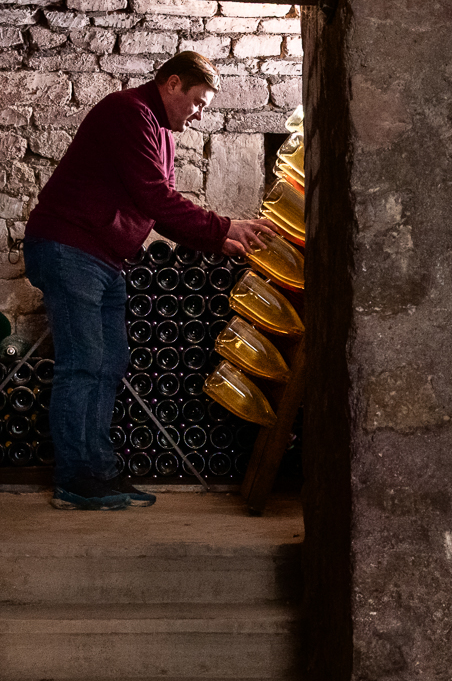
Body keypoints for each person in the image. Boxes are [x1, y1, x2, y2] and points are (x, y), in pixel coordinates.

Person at [23, 51, 273, 511]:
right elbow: (154, 195)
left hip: (104, 257)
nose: (199, 114)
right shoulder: (129, 112)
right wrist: (221, 226)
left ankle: (99, 474)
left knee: (110, 363)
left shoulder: (162, 134)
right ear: (172, 83)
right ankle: (75, 480)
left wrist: (217, 242)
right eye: (198, 102)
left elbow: (160, 209)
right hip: (69, 247)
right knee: (83, 364)